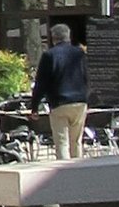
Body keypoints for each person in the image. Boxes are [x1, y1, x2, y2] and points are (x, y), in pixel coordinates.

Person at [30, 22, 90, 160]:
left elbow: (41, 83)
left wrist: (34, 107)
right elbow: (86, 77)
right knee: (76, 141)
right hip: (80, 101)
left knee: (62, 142)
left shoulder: (49, 55)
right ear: (68, 37)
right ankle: (79, 168)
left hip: (59, 102)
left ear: (53, 38)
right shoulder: (80, 53)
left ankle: (63, 173)